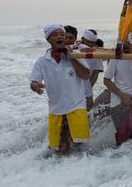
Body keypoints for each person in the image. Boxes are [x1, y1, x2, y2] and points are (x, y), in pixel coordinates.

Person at [29, 24, 91, 154]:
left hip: (76, 106)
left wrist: (72, 58)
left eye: (62, 35)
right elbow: (34, 80)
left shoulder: (76, 55)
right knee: (58, 149)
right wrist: (36, 86)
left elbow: (85, 75)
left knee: (80, 147)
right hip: (56, 108)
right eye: (55, 35)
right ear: (48, 39)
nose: (60, 37)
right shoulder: (42, 61)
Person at [76, 29, 104, 109]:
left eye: (92, 43)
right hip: (71, 88)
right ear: (82, 39)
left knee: (88, 111)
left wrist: (88, 87)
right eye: (88, 42)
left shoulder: (96, 53)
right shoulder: (74, 49)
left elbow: (96, 73)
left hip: (86, 88)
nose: (90, 45)